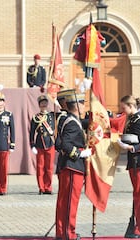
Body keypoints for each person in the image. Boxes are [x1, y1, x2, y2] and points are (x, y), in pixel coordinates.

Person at [54, 89, 91, 240]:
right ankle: (69, 233)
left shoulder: (71, 120)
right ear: (76, 105)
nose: (84, 107)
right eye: (83, 104)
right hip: (72, 166)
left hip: (69, 166)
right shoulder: (71, 123)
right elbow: (65, 144)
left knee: (65, 201)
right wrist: (80, 154)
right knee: (70, 202)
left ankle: (63, 232)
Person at [117, 95, 140, 239]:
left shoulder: (139, 121)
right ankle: (137, 226)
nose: (122, 110)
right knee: (137, 196)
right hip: (134, 163)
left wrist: (130, 148)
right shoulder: (131, 120)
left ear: (131, 106)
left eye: (123, 107)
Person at [29, 95, 55, 195]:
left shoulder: (52, 116)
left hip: (50, 143)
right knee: (40, 167)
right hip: (40, 144)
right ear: (39, 105)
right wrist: (32, 145)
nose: (44, 105)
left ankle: (48, 187)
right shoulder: (36, 118)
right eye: (42, 103)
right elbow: (32, 132)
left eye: (45, 103)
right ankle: (41, 187)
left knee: (49, 167)